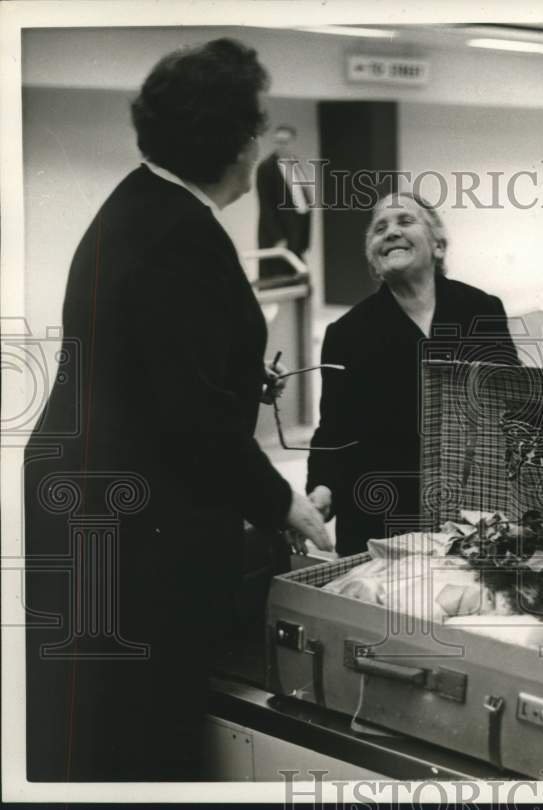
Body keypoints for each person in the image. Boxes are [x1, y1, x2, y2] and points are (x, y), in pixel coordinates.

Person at [23, 39, 333, 781]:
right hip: (136, 524)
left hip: (94, 500)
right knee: (141, 732)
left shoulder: (139, 207)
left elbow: (151, 365)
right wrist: (283, 502)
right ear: (234, 142)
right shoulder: (181, 235)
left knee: (89, 717)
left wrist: (234, 378)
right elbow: (190, 423)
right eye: (255, 127)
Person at [305, 192, 518, 557]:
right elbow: (334, 430)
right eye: (380, 229)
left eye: (406, 222)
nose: (391, 233)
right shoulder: (346, 333)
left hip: (471, 511)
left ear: (438, 245)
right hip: (381, 515)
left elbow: (512, 408)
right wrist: (323, 487)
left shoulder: (481, 310)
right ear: (374, 260)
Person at [256, 123, 313, 280]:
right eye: (278, 142)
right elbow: (266, 206)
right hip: (280, 235)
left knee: (298, 277)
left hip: (297, 229)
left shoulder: (296, 164)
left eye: (285, 142)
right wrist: (278, 238)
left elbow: (302, 198)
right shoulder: (266, 168)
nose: (281, 146)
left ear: (293, 143)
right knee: (280, 278)